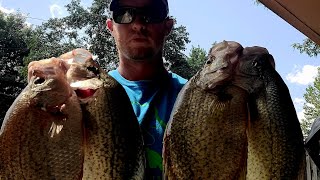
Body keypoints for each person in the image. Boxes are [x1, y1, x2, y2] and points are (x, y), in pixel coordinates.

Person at [106, 0, 187, 178]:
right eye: (124, 13)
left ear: (168, 26)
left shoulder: (195, 99)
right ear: (111, 26)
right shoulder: (88, 96)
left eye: (151, 13)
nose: (138, 24)